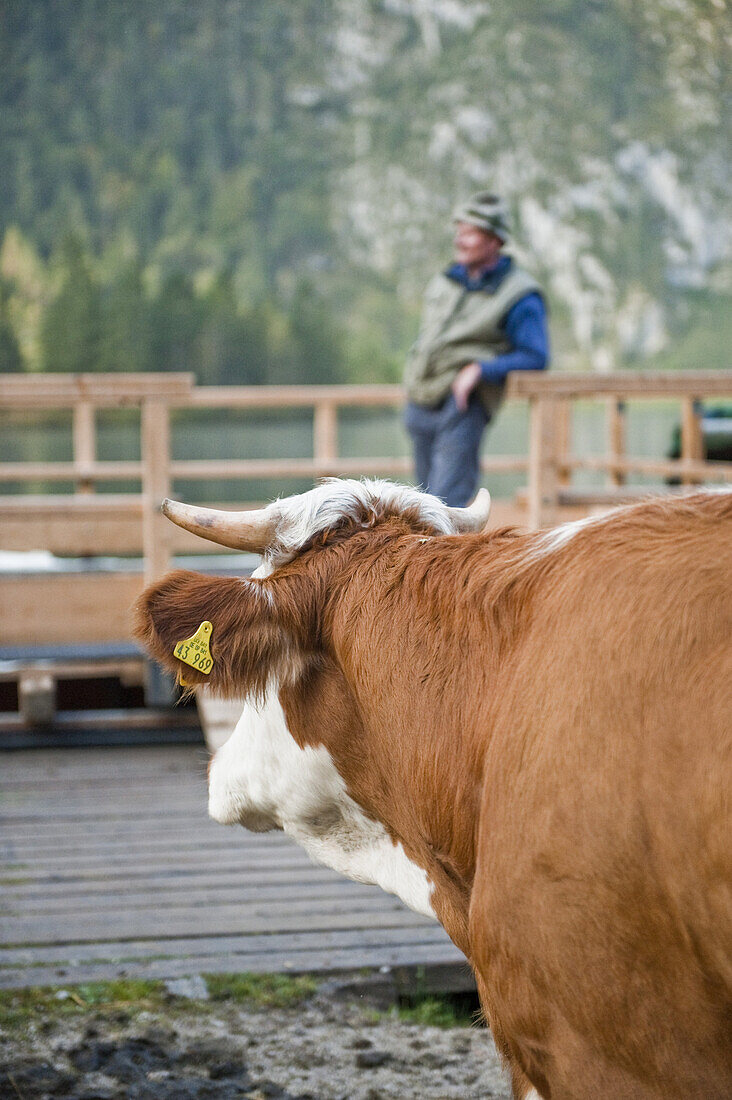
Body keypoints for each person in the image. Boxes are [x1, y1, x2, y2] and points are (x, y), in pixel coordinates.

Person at [403, 191, 549, 507]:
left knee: (446, 506)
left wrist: (480, 369)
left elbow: (536, 357)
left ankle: (447, 558)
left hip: (463, 405)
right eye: (459, 231)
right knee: (424, 506)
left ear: (495, 241)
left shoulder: (520, 294)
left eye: (470, 233)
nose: (460, 240)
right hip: (422, 402)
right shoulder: (447, 280)